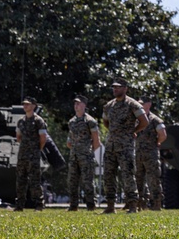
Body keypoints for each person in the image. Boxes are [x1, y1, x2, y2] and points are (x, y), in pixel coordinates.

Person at [101, 78, 149, 214]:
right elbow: (105, 121)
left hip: (125, 146)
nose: (115, 89)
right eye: (114, 87)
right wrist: (113, 132)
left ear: (125, 89)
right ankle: (110, 206)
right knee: (108, 175)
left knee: (128, 175)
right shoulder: (109, 106)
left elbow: (144, 122)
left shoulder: (132, 104)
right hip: (110, 146)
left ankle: (132, 205)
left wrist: (132, 131)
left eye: (118, 87)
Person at [66, 95, 101, 211]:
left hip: (86, 156)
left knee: (88, 182)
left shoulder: (90, 121)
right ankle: (73, 205)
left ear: (84, 105)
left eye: (78, 103)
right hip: (74, 156)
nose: (76, 105)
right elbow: (69, 141)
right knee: (72, 181)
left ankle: (91, 205)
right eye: (75, 103)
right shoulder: (72, 122)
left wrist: (90, 153)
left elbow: (96, 140)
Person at [14, 97, 48, 211]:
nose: (25, 106)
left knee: (34, 181)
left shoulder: (38, 121)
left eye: (28, 104)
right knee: (20, 180)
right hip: (22, 155)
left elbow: (43, 138)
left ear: (34, 106)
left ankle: (39, 205)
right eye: (24, 104)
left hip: (33, 155)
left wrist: (36, 149)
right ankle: (19, 205)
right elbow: (18, 137)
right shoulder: (21, 121)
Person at [134, 95, 166, 211]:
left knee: (153, 179)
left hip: (151, 154)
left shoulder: (154, 120)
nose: (140, 106)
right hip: (138, 154)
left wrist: (156, 142)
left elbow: (163, 134)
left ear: (149, 104)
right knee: (138, 179)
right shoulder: (137, 120)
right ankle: (140, 203)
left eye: (142, 103)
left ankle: (156, 203)